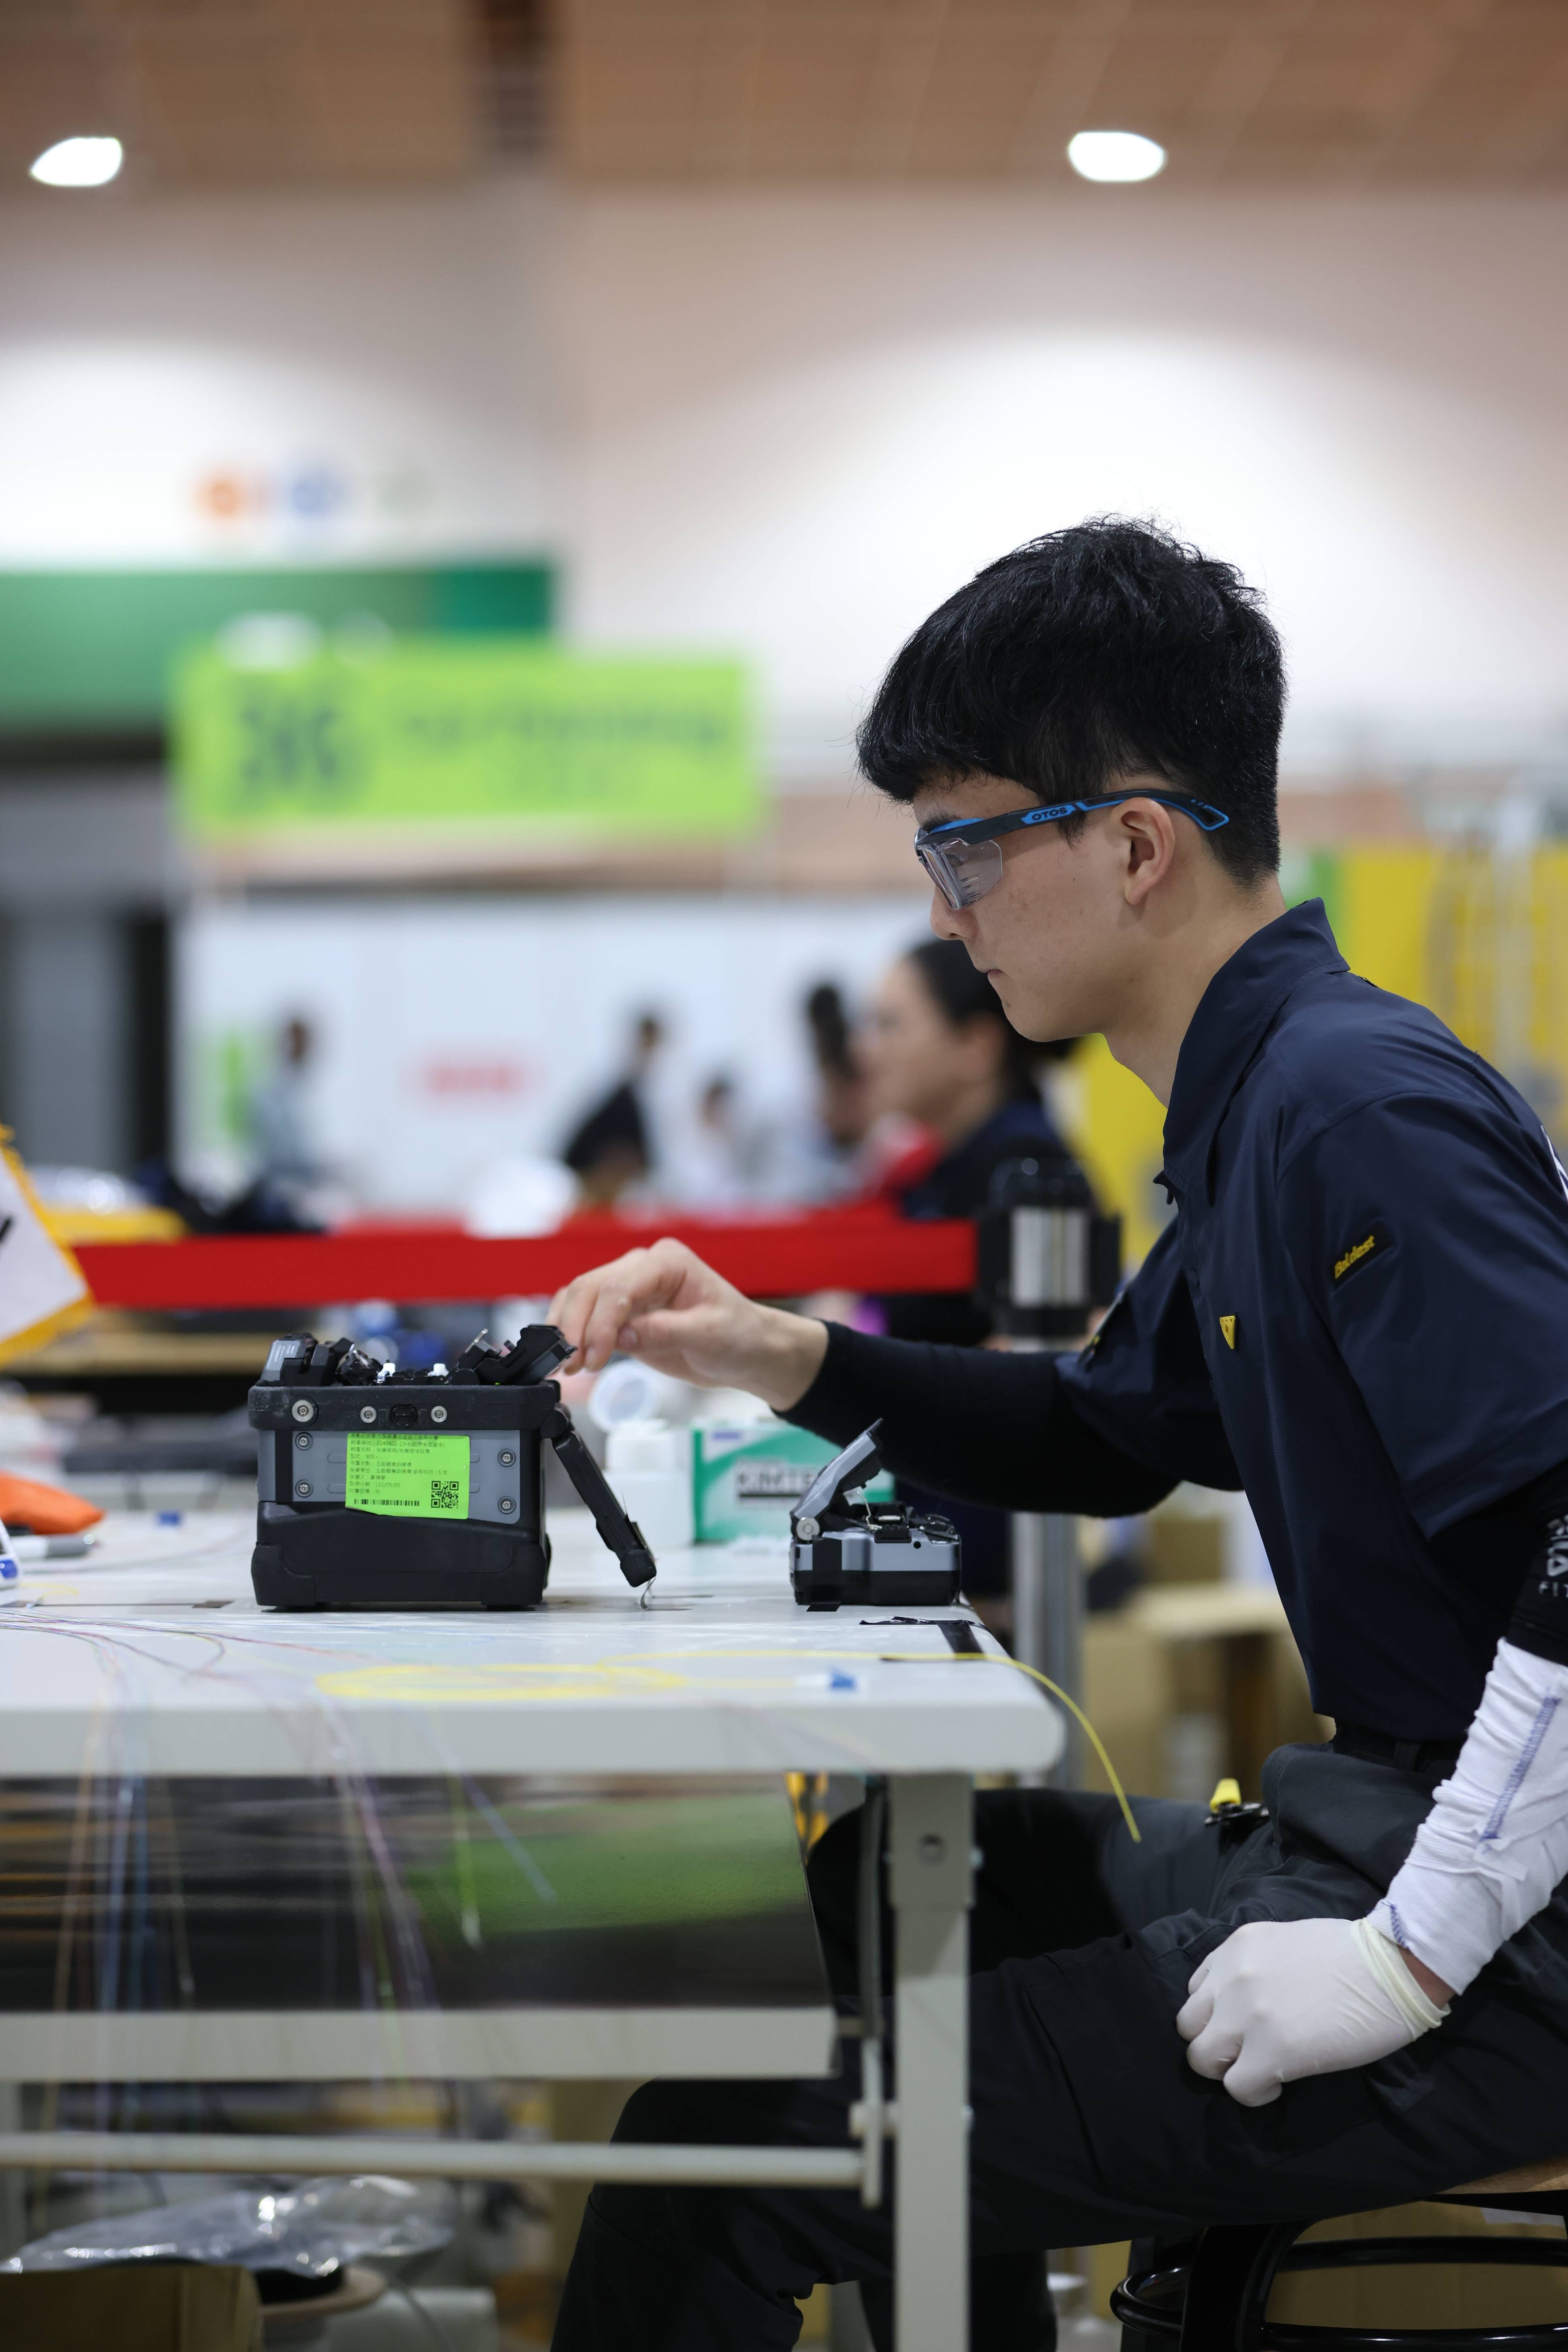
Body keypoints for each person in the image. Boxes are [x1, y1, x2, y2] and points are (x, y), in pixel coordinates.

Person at [543, 520, 1568, 2351]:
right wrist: (773, 1350)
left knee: (718, 2156)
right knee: (897, 1876)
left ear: (1136, 842)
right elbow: (1107, 1431)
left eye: (964, 847)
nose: (944, 914)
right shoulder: (1257, 1103)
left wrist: (1407, 1951)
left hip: (1502, 1931)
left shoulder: (1353, 1102)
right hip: (1380, 1830)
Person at [859, 937, 1087, 1603]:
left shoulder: (1025, 1164)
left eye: (890, 1024)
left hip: (985, 1548)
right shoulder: (944, 1167)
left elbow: (1047, 1357)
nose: (866, 1049)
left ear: (975, 1045)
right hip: (936, 1515)